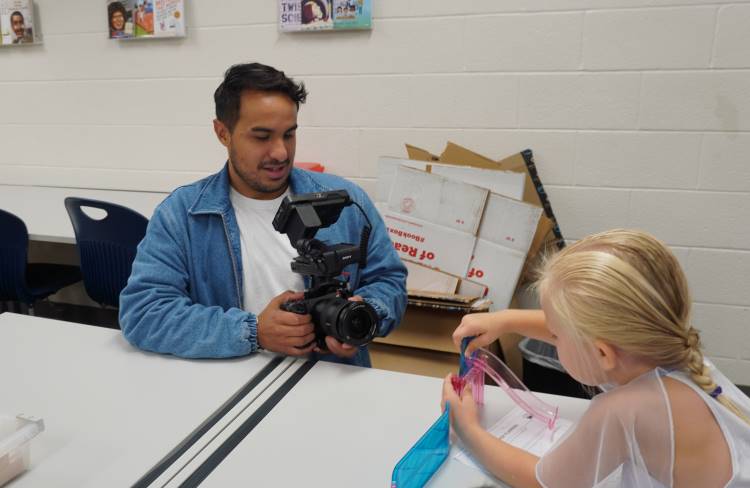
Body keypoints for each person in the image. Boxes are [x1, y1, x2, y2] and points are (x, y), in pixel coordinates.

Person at [119, 63, 407, 367]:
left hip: (331, 379)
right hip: (232, 390)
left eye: (289, 134)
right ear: (223, 133)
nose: (281, 153)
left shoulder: (347, 203)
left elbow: (389, 281)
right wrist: (254, 331)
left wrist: (366, 314)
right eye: (262, 137)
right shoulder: (182, 214)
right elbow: (144, 313)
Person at [444, 229, 750, 487]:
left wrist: (467, 428)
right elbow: (585, 334)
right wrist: (506, 320)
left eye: (556, 334)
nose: (552, 336)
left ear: (603, 353)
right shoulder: (674, 353)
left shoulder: (622, 411)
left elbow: (541, 481)